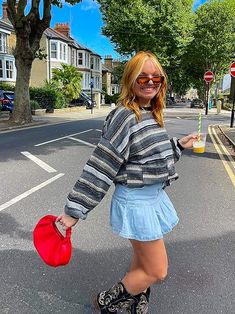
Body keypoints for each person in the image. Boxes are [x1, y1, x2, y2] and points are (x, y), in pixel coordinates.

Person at [56, 51, 198, 313]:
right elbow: (101, 166)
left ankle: (134, 298)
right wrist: (73, 211)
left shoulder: (150, 112)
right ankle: (106, 301)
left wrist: (178, 145)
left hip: (152, 199)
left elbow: (148, 160)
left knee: (142, 261)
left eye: (156, 77)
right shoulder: (125, 116)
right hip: (136, 202)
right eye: (143, 78)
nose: (151, 82)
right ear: (130, 81)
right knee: (158, 269)